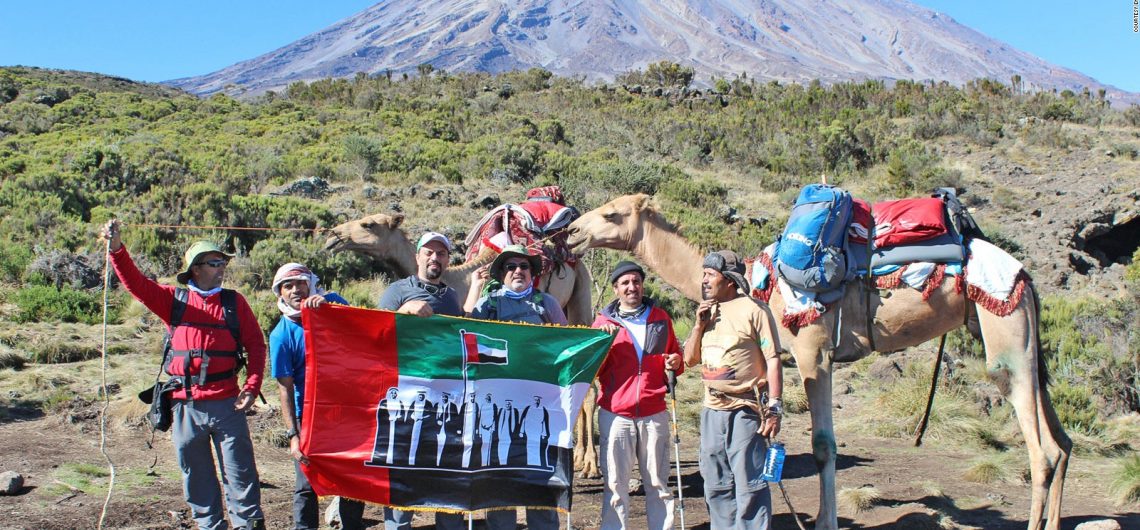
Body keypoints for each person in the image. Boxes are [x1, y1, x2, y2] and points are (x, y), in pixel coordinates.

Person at [101, 220, 266, 530]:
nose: (221, 268)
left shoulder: (234, 303)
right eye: (214, 263)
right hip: (185, 406)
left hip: (228, 405)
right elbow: (136, 284)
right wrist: (116, 248)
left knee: (241, 475)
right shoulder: (173, 300)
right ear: (195, 269)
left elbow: (256, 346)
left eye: (223, 262)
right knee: (196, 478)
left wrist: (252, 386)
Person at [467, 244, 568, 530]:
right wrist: (475, 288)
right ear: (501, 273)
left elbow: (565, 346)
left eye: (523, 266)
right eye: (510, 267)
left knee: (541, 476)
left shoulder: (546, 304)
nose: (518, 271)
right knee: (500, 478)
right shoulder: (488, 305)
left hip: (540, 404)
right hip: (499, 406)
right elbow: (466, 338)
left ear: (532, 273)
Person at [683, 250, 783, 530]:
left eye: (710, 275)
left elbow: (773, 359)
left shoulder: (754, 311)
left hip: (745, 409)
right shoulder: (707, 311)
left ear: (729, 280)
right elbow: (690, 360)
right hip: (711, 409)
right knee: (715, 483)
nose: (704, 280)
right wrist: (698, 326)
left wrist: (775, 406)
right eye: (704, 274)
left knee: (749, 484)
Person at [378, 231, 464, 530]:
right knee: (404, 474)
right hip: (406, 399)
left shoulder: (452, 297)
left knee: (448, 475)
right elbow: (374, 336)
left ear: (447, 260)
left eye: (441, 253)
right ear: (417, 257)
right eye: (428, 252)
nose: (434, 258)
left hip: (447, 401)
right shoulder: (398, 291)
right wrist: (403, 312)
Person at [267, 263, 363, 530]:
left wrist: (330, 312)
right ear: (280, 293)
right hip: (307, 416)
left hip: (344, 410)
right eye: (288, 286)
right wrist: (293, 435)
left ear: (311, 284)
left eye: (301, 283)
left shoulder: (332, 303)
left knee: (350, 479)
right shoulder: (281, 335)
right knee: (306, 483)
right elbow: (284, 387)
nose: (296, 289)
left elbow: (360, 329)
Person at [591, 260, 684, 530]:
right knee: (615, 485)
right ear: (615, 289)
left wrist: (676, 362)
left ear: (642, 285)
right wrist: (602, 343)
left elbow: (675, 357)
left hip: (654, 411)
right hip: (616, 413)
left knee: (657, 482)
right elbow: (593, 370)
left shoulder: (660, 318)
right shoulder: (602, 324)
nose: (632, 287)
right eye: (625, 283)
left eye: (636, 281)